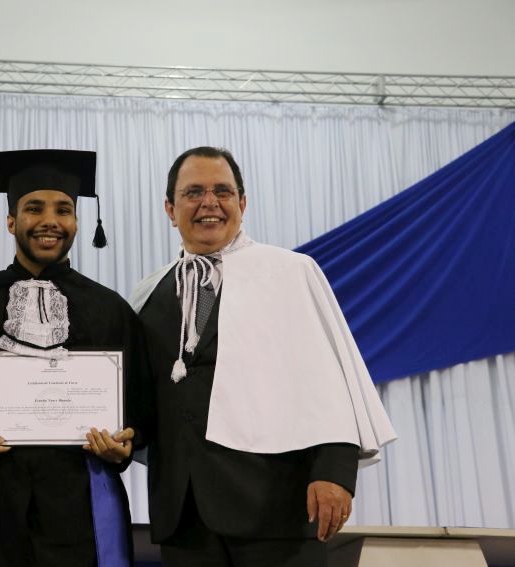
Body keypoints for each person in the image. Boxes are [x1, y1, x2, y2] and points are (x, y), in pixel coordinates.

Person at [130, 146, 396, 567]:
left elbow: (329, 381)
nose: (209, 203)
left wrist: (333, 473)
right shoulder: (149, 293)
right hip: (185, 518)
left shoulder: (289, 272)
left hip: (277, 509)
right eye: (193, 192)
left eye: (222, 191)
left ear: (243, 203)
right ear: (170, 208)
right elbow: (145, 397)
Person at [0, 149, 152, 567]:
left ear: (76, 222)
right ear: (11, 221)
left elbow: (142, 402)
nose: (50, 221)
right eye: (34, 208)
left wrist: (127, 442)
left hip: (82, 501)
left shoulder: (110, 309)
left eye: (63, 210)